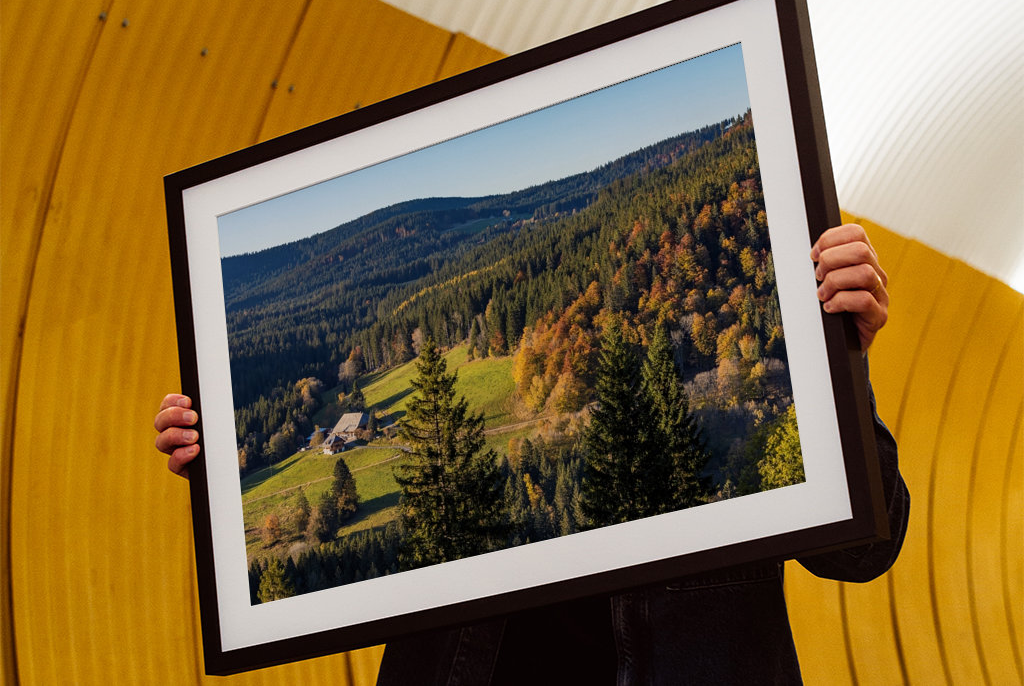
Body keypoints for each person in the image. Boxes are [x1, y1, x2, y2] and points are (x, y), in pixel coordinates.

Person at [154, 224, 908, 684]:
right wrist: (224, 479)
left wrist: (839, 359)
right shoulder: (457, 481)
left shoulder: (766, 339)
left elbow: (864, 550)